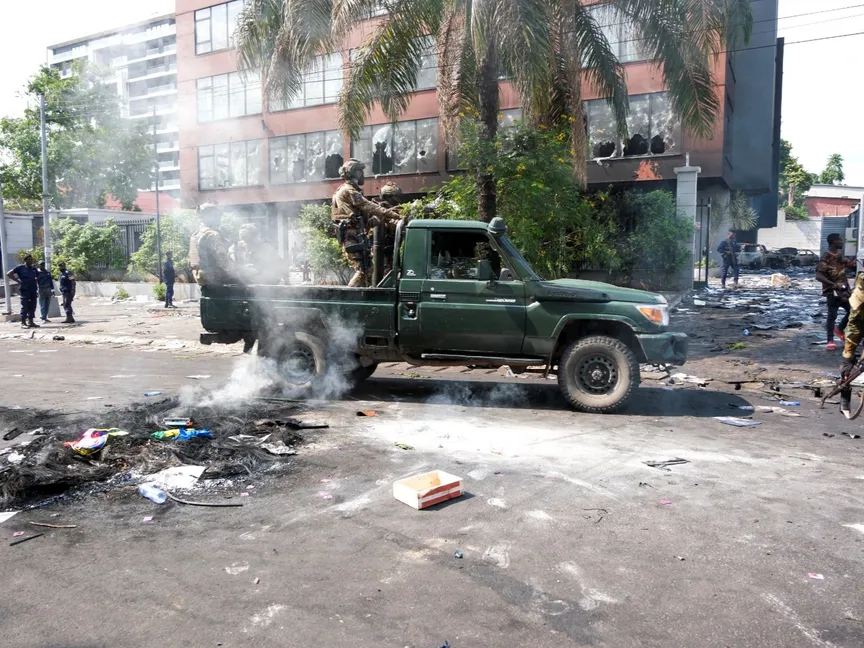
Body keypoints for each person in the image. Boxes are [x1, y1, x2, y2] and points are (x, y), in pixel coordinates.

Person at [331, 158, 402, 287]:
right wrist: (392, 214)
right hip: (351, 236)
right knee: (363, 271)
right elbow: (367, 205)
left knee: (367, 271)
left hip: (356, 235)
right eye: (359, 171)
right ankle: (349, 297)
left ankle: (360, 298)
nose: (362, 175)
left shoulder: (350, 190)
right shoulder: (348, 190)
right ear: (352, 173)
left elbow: (367, 222)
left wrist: (382, 216)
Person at [816, 233, 855, 351]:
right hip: (832, 292)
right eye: (840, 241)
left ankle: (839, 329)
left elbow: (849, 265)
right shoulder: (826, 257)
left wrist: (854, 264)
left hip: (844, 291)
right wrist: (833, 285)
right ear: (833, 242)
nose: (842, 242)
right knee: (832, 315)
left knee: (853, 311)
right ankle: (830, 340)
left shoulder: (839, 256)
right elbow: (818, 275)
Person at [189, 203, 233, 286]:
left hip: (201, 277)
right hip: (216, 279)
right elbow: (222, 257)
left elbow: (193, 262)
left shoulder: (196, 234)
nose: (219, 219)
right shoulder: (212, 234)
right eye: (218, 216)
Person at [6, 254, 39, 328]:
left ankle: (31, 321)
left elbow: (37, 276)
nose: (31, 261)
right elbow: (8, 273)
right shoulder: (20, 267)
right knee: (25, 306)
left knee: (33, 306)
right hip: (25, 289)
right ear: (25, 260)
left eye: (31, 259)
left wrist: (35, 281)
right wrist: (18, 281)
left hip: (33, 289)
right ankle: (23, 322)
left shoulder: (33, 268)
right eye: (29, 259)